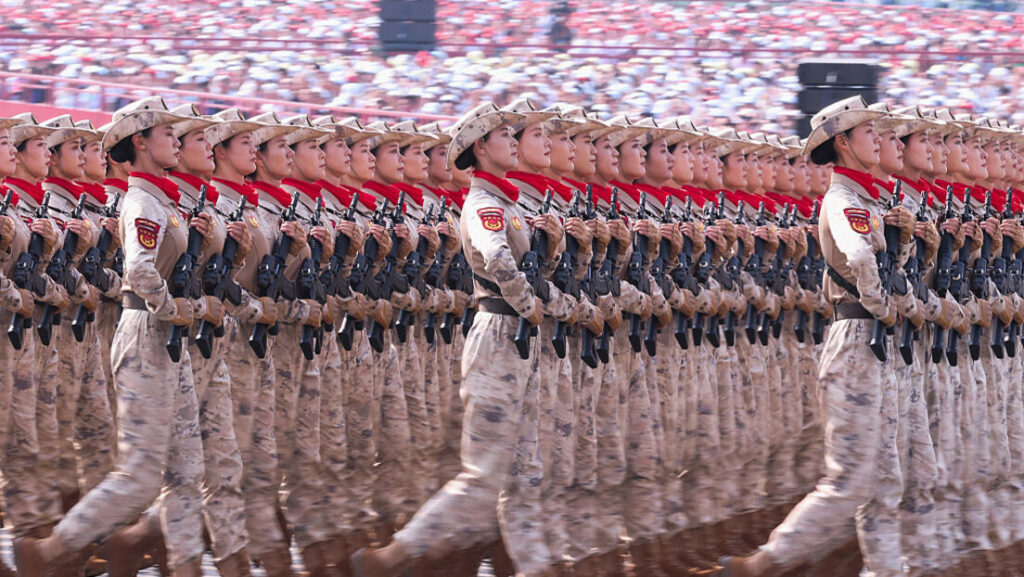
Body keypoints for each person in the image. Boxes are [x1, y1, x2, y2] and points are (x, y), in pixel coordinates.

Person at [720, 95, 921, 577]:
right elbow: (861, 258)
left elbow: (883, 263)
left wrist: (907, 244)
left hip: (875, 339)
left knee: (886, 480)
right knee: (850, 481)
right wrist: (887, 306)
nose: (879, 140)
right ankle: (764, 564)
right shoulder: (844, 200)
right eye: (868, 133)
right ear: (843, 143)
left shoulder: (869, 201)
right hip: (859, 337)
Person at [15, 96, 213, 577]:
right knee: (141, 476)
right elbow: (140, 271)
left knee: (188, 470)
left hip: (167, 336)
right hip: (147, 332)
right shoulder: (142, 202)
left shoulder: (161, 200)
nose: (175, 142)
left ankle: (184, 564)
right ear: (140, 143)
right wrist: (173, 308)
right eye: (166, 134)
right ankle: (51, 549)